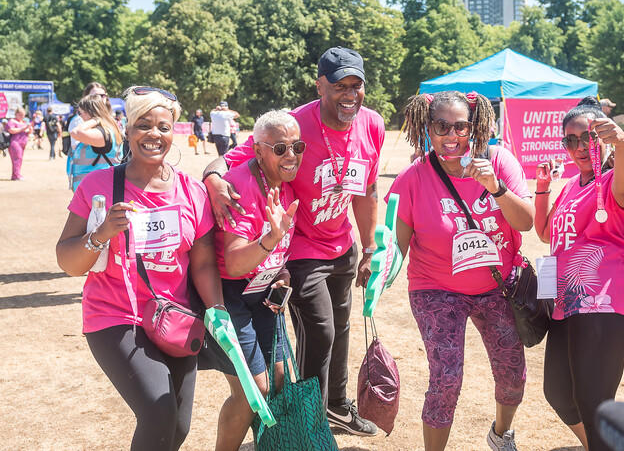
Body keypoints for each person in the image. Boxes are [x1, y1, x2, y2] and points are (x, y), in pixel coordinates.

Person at [203, 46, 382, 436]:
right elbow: (232, 160)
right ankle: (310, 422)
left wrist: (368, 248)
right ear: (320, 86)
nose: (349, 94)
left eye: (357, 85)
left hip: (342, 245)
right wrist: (213, 180)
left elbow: (366, 191)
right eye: (340, 86)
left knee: (341, 326)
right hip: (298, 250)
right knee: (320, 331)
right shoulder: (293, 126)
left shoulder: (372, 125)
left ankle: (335, 406)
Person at [55, 85, 226, 451]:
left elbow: (204, 262)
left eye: (163, 127)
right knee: (158, 411)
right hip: (115, 317)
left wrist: (218, 311)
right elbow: (67, 261)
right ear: (128, 130)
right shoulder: (99, 185)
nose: (154, 134)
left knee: (177, 426)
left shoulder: (191, 191)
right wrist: (100, 234)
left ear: (174, 132)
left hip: (175, 318)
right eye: (143, 125)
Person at [391, 90, 532, 451]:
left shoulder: (500, 162)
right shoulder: (413, 178)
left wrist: (495, 188)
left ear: (476, 127)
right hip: (436, 288)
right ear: (427, 127)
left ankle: (501, 434)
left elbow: (527, 222)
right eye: (441, 126)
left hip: (496, 288)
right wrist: (377, 270)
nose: (451, 136)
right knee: (447, 376)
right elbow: (397, 245)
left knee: (512, 371)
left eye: (460, 127)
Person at [533, 99, 624, 451]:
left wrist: (622, 144)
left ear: (602, 137)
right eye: (571, 140)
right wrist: (542, 188)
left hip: (604, 302)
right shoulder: (569, 185)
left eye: (588, 137)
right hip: (566, 304)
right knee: (558, 393)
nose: (580, 147)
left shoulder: (613, 179)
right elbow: (546, 233)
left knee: (593, 400)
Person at [211, 110, 301, 451]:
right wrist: (269, 242)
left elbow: (277, 251)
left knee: (278, 379)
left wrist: (282, 272)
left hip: (264, 291)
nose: (291, 155)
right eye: (280, 148)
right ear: (258, 150)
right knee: (254, 390)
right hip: (231, 294)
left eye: (297, 146)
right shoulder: (238, 187)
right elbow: (234, 264)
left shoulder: (286, 185)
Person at [69, 93, 123, 191]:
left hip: (97, 191)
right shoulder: (107, 130)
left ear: (89, 112)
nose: (80, 117)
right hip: (94, 190)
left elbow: (76, 132)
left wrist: (95, 119)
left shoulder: (103, 132)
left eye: (80, 113)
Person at [7, 106, 33, 180]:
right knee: (17, 158)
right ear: (16, 114)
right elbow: (11, 130)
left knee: (19, 159)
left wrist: (30, 129)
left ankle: (15, 174)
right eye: (21, 114)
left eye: (23, 115)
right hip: (15, 142)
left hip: (22, 143)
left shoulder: (24, 122)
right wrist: (23, 128)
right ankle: (16, 175)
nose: (22, 116)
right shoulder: (12, 121)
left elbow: (28, 132)